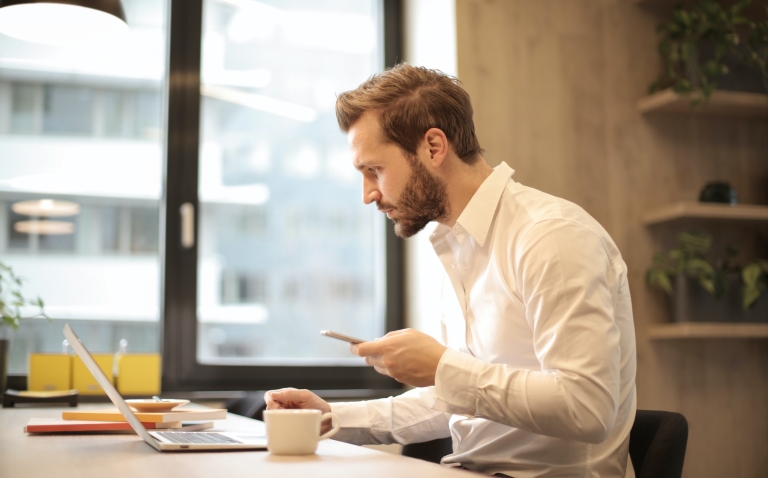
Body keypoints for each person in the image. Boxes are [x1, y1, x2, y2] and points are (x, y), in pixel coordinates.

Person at [265, 64, 637, 478]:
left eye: (375, 170)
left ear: (434, 147)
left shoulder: (551, 236)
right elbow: (462, 397)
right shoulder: (457, 245)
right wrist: (332, 418)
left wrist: (443, 367)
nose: (369, 194)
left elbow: (587, 407)